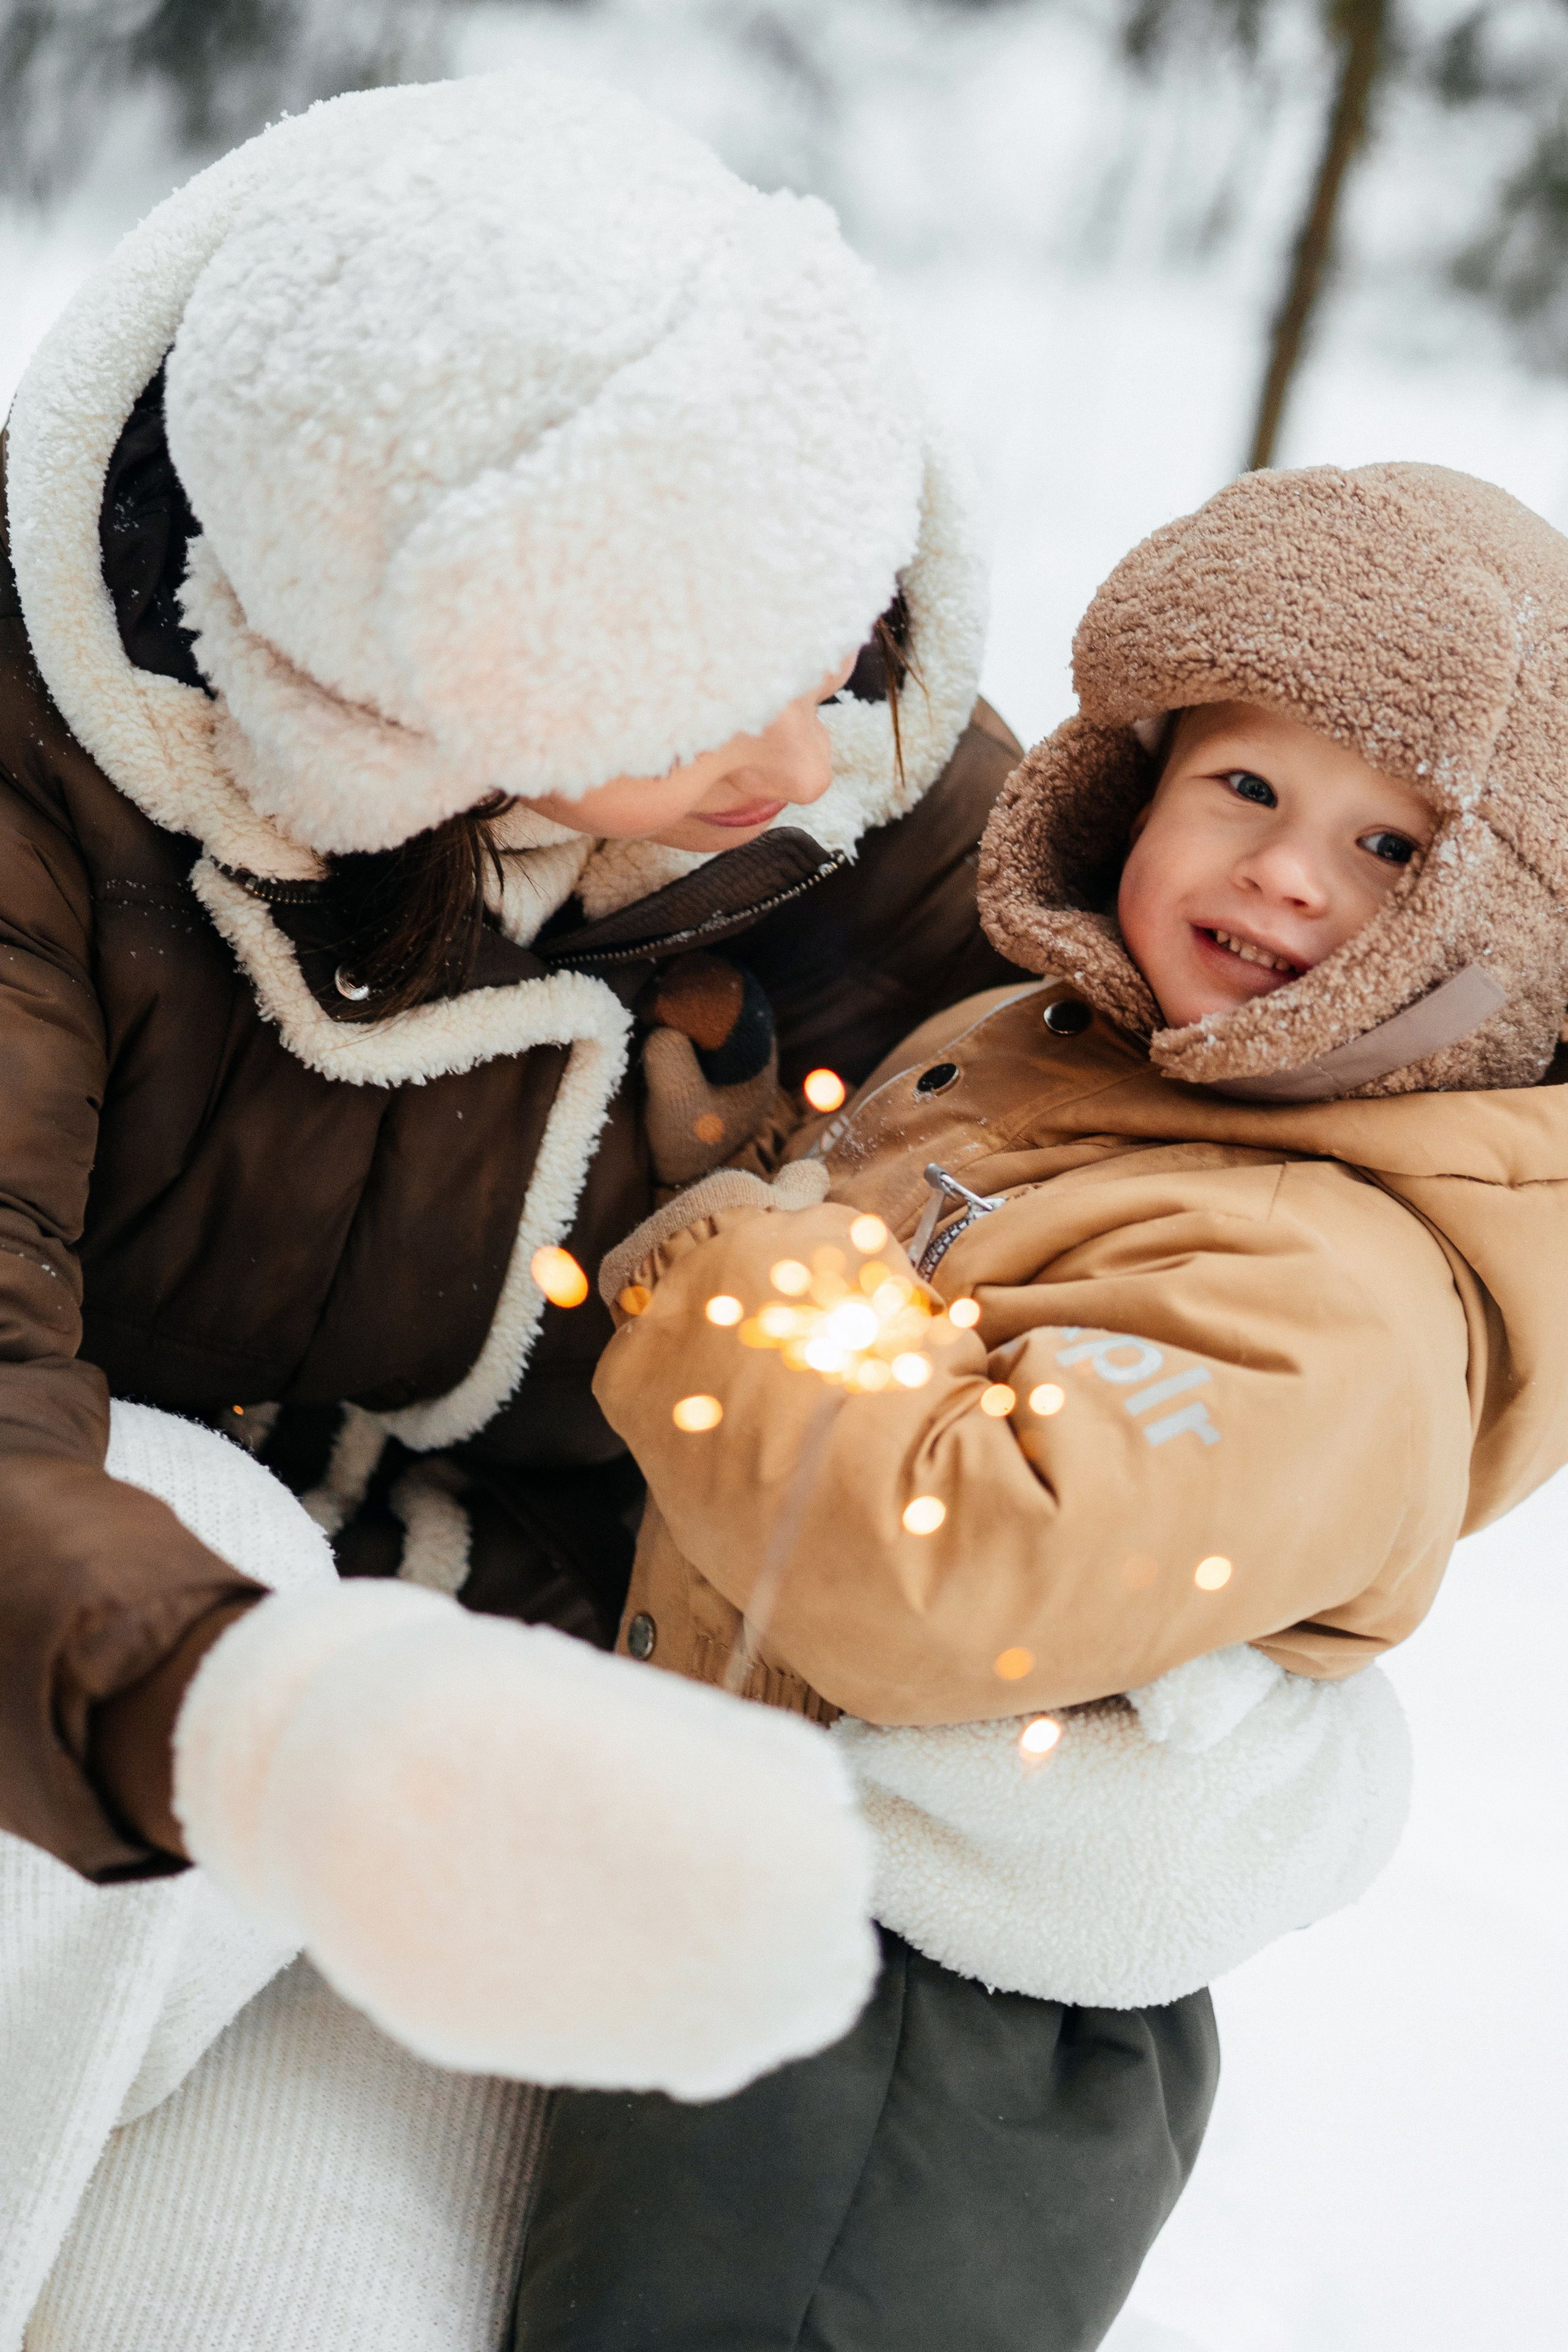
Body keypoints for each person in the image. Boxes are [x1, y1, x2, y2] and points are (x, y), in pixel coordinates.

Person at [0, 66, 1027, 2346]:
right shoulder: (41, 780)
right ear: (399, 713)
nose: (817, 753)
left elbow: (1254, 1196)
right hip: (128, 1658)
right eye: (702, 714)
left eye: (838, 633)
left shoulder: (881, 779)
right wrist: (258, 1720)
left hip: (550, 1697)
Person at [558, 460, 1568, 2351]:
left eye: (1394, 850)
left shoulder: (1335, 1284)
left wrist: (725, 1261)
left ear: (1513, 931)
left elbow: (960, 1565)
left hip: (914, 2054)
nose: (1284, 872)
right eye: (1249, 786)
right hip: (786, 1904)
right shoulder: (1100, 1057)